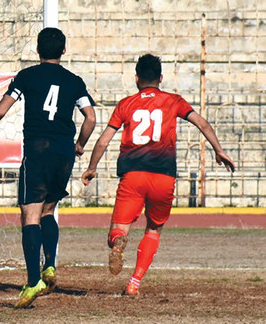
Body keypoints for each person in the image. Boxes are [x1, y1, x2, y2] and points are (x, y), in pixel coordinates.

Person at [81, 53, 235, 296]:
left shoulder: (125, 104)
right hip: (164, 177)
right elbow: (202, 123)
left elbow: (103, 141)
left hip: (133, 176)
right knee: (153, 229)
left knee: (118, 229)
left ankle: (119, 241)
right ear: (161, 77)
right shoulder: (174, 100)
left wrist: (92, 167)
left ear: (136, 78)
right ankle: (134, 283)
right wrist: (219, 150)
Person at [0, 27, 96, 308]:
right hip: (64, 151)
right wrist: (79, 144)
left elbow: (2, 110)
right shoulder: (74, 81)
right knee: (49, 210)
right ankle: (49, 265)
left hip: (38, 149)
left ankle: (32, 282)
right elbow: (90, 117)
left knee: (30, 214)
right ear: (63, 51)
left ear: (37, 50)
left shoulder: (27, 76)